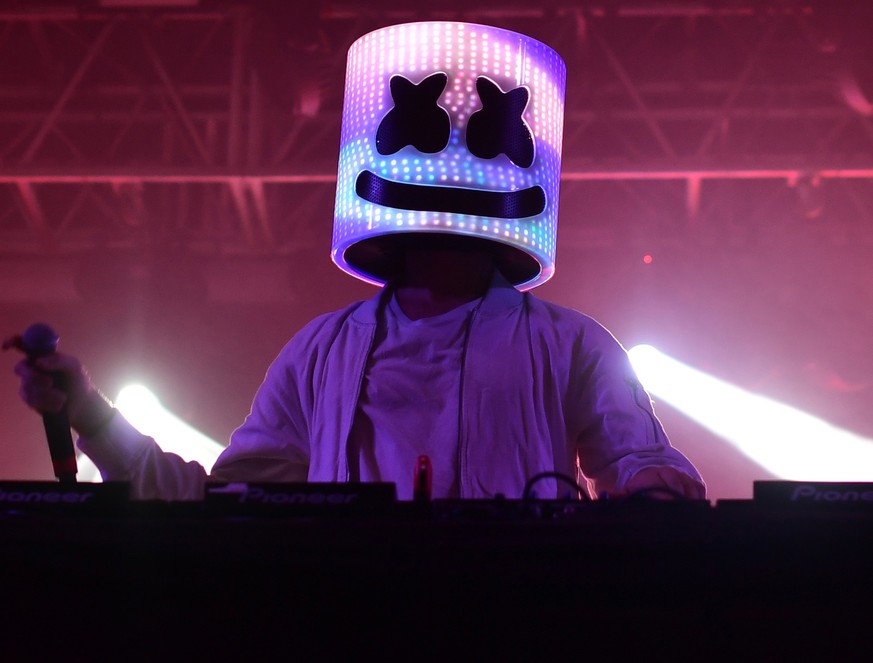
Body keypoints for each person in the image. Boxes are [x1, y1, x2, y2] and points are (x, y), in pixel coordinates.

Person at [6, 21, 705, 502]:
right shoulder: (320, 351)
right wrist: (91, 416)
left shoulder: (571, 345)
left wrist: (648, 499)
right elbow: (219, 503)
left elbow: (651, 473)